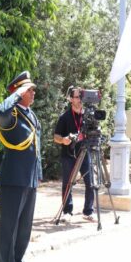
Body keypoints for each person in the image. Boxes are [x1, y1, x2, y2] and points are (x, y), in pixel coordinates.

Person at [0, 71, 42, 262]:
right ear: (19, 92)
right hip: (13, 178)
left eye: (32, 90)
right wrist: (16, 94)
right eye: (28, 90)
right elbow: (1, 111)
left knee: (24, 227)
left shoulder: (30, 114)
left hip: (29, 178)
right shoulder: (10, 115)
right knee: (9, 226)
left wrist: (38, 175)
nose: (33, 93)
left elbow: (36, 147)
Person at [52, 86, 94, 222]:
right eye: (77, 97)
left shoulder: (88, 116)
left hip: (85, 153)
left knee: (90, 182)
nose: (80, 100)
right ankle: (67, 211)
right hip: (68, 155)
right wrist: (63, 140)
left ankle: (88, 211)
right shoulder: (64, 117)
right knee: (67, 183)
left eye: (81, 97)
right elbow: (56, 137)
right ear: (71, 99)